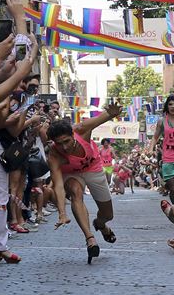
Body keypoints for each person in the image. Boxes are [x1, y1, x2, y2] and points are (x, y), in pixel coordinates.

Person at [49, 102, 123, 264]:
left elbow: (104, 117)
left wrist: (113, 113)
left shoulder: (82, 129)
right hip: (72, 174)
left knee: (107, 214)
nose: (64, 147)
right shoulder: (54, 153)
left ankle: (101, 225)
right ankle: (90, 239)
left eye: (67, 141)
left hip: (93, 168)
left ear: (72, 134)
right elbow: (58, 185)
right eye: (59, 143)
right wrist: (62, 213)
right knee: (75, 193)